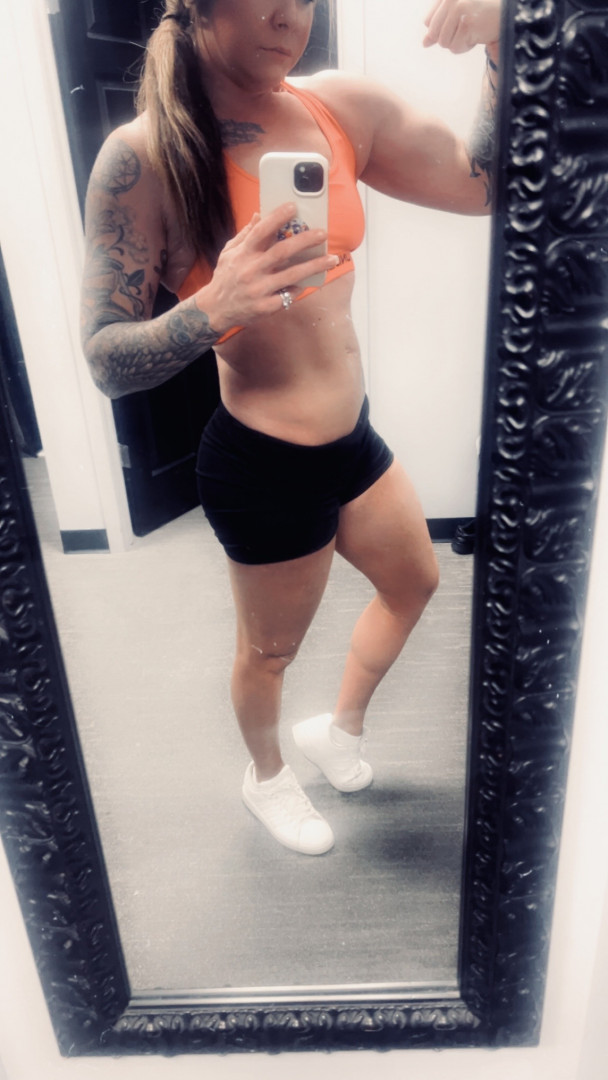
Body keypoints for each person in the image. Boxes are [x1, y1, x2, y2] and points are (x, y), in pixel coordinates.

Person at [81, 0, 501, 856]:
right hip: (262, 462)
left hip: (352, 440)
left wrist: (501, 49)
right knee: (269, 652)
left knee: (414, 582)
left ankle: (337, 731)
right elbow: (105, 357)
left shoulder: (339, 108)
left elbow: (485, 184)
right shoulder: (143, 155)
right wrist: (214, 305)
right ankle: (266, 776)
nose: (289, 15)